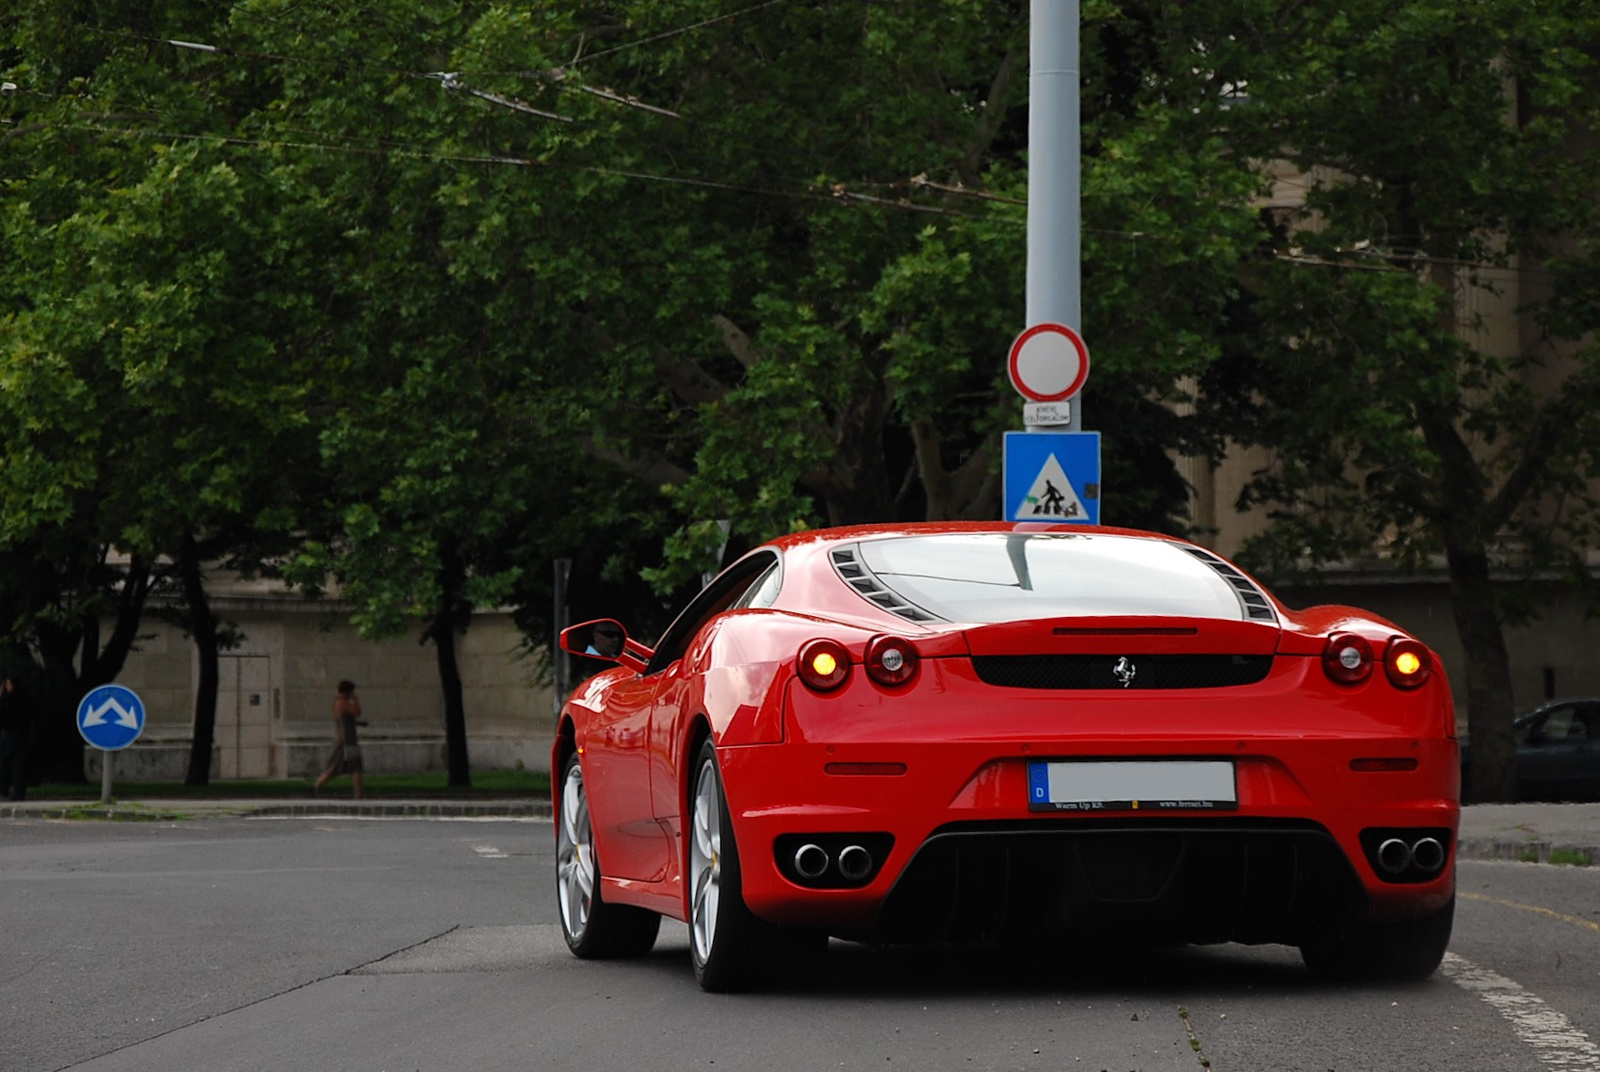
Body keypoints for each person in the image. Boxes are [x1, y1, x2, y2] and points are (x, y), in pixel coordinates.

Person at [312, 680, 368, 798]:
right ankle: (358, 795)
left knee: (335, 767)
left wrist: (358, 724)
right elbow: (357, 712)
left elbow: (345, 720)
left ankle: (316, 787)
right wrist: (356, 700)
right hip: (348, 740)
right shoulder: (342, 702)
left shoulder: (337, 703)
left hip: (343, 739)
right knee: (356, 768)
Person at [0, 675, 27, 802]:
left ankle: (4, 790)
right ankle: (19, 793)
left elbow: (4, 716)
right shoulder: (24, 698)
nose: (6, 686)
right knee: (18, 766)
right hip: (21, 734)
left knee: (5, 763)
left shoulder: (8, 700)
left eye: (8, 684)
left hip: (10, 734)